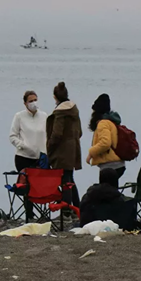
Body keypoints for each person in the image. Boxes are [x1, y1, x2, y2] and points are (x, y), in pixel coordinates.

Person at [9, 90, 48, 221]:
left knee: (38, 185)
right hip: (23, 157)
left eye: (35, 100)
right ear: (25, 103)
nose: (33, 103)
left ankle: (40, 213)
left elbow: (48, 136)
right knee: (26, 186)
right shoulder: (19, 116)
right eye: (30, 101)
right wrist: (23, 145)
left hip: (40, 157)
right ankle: (29, 214)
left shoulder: (44, 116)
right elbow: (12, 136)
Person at [46, 82, 82, 212]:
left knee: (65, 182)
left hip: (61, 153)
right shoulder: (74, 111)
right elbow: (80, 132)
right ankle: (77, 207)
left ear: (55, 97)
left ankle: (66, 210)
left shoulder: (60, 113)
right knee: (70, 179)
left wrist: (49, 147)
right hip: (73, 151)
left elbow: (56, 134)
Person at [86, 93, 126, 178]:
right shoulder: (111, 122)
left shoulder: (103, 123)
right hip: (118, 164)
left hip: (110, 166)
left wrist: (91, 153)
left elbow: (105, 143)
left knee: (105, 190)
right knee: (111, 190)